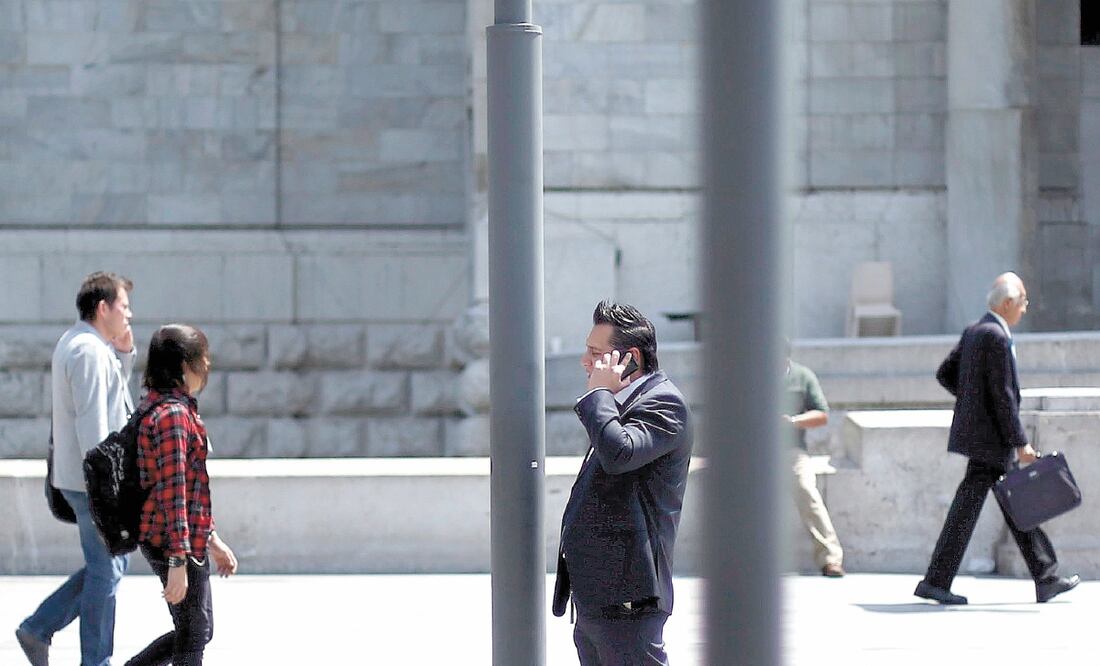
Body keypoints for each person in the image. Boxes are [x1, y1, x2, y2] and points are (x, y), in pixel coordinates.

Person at [914, 272, 1079, 605]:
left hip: (984, 439)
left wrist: (973, 401)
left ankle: (1044, 576)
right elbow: (1003, 397)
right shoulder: (996, 337)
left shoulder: (975, 330)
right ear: (1007, 303)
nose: (1025, 309)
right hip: (992, 441)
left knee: (1014, 504)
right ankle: (937, 580)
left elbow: (945, 373)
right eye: (1023, 302)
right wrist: (1021, 442)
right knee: (999, 505)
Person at [553, 301, 693, 666]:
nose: (585, 361)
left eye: (595, 353)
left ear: (630, 358)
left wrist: (599, 394)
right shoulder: (620, 404)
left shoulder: (664, 404)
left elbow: (621, 454)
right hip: (598, 595)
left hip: (630, 596)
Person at [16, 272, 136, 666]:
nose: (129, 315)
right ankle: (92, 658)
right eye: (123, 306)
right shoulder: (87, 351)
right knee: (106, 571)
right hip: (92, 483)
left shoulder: (86, 345)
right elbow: (92, 424)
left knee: (110, 565)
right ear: (103, 308)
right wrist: (107, 487)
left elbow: (110, 400)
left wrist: (124, 355)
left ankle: (39, 628)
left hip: (85, 479)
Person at [125, 324, 237, 666]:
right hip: (171, 538)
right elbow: (173, 490)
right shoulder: (172, 416)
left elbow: (189, 487)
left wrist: (212, 539)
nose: (207, 366)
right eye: (203, 358)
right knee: (193, 635)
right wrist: (177, 561)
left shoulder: (165, 406)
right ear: (186, 364)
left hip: (181, 536)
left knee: (197, 630)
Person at [782, 343, 845, 577]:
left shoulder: (802, 377)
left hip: (792, 450)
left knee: (807, 491)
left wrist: (793, 421)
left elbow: (821, 414)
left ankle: (830, 558)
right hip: (754, 452)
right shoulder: (750, 374)